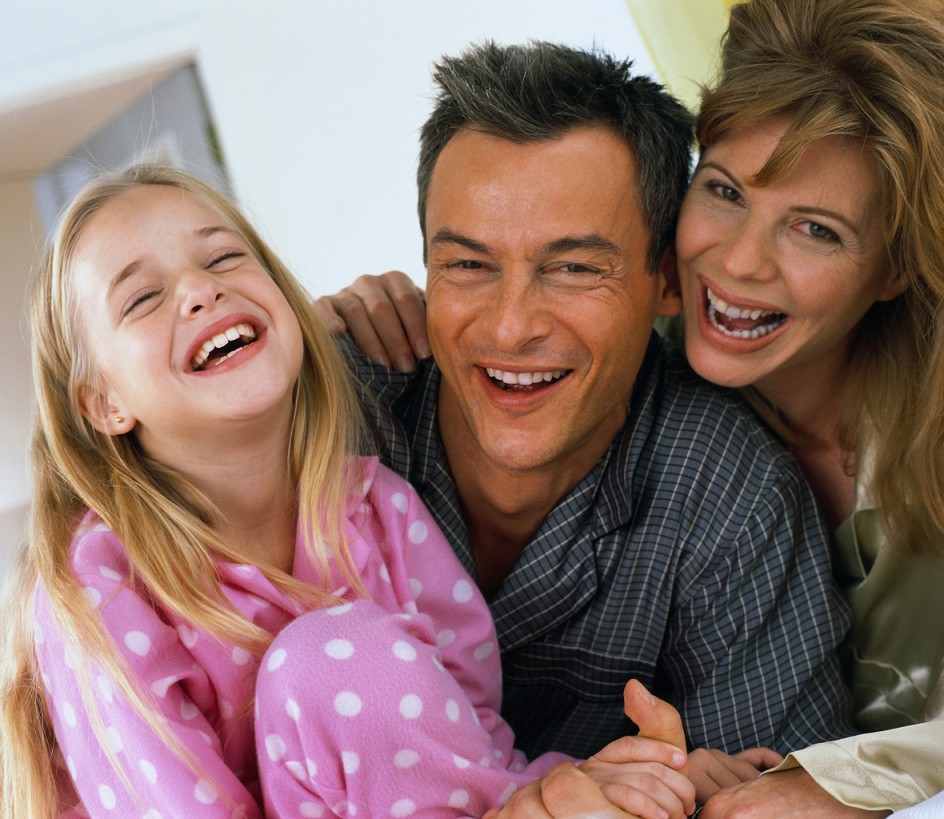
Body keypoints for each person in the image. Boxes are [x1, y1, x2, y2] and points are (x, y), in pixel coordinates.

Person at [326, 1, 944, 815]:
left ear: (897, 265)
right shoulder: (375, 392)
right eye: (724, 191)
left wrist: (828, 780)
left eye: (816, 230)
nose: (736, 261)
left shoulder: (753, 482)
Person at [0, 164, 702, 819]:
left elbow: (465, 741)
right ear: (102, 404)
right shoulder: (95, 586)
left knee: (347, 659)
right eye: (143, 297)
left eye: (223, 258)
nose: (200, 289)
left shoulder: (376, 506)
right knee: (329, 658)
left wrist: (600, 784)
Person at [319, 37, 853, 785]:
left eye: (573, 268)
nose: (509, 327)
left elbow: (785, 793)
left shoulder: (731, 495)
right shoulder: (327, 416)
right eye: (468, 265)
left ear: (668, 280)